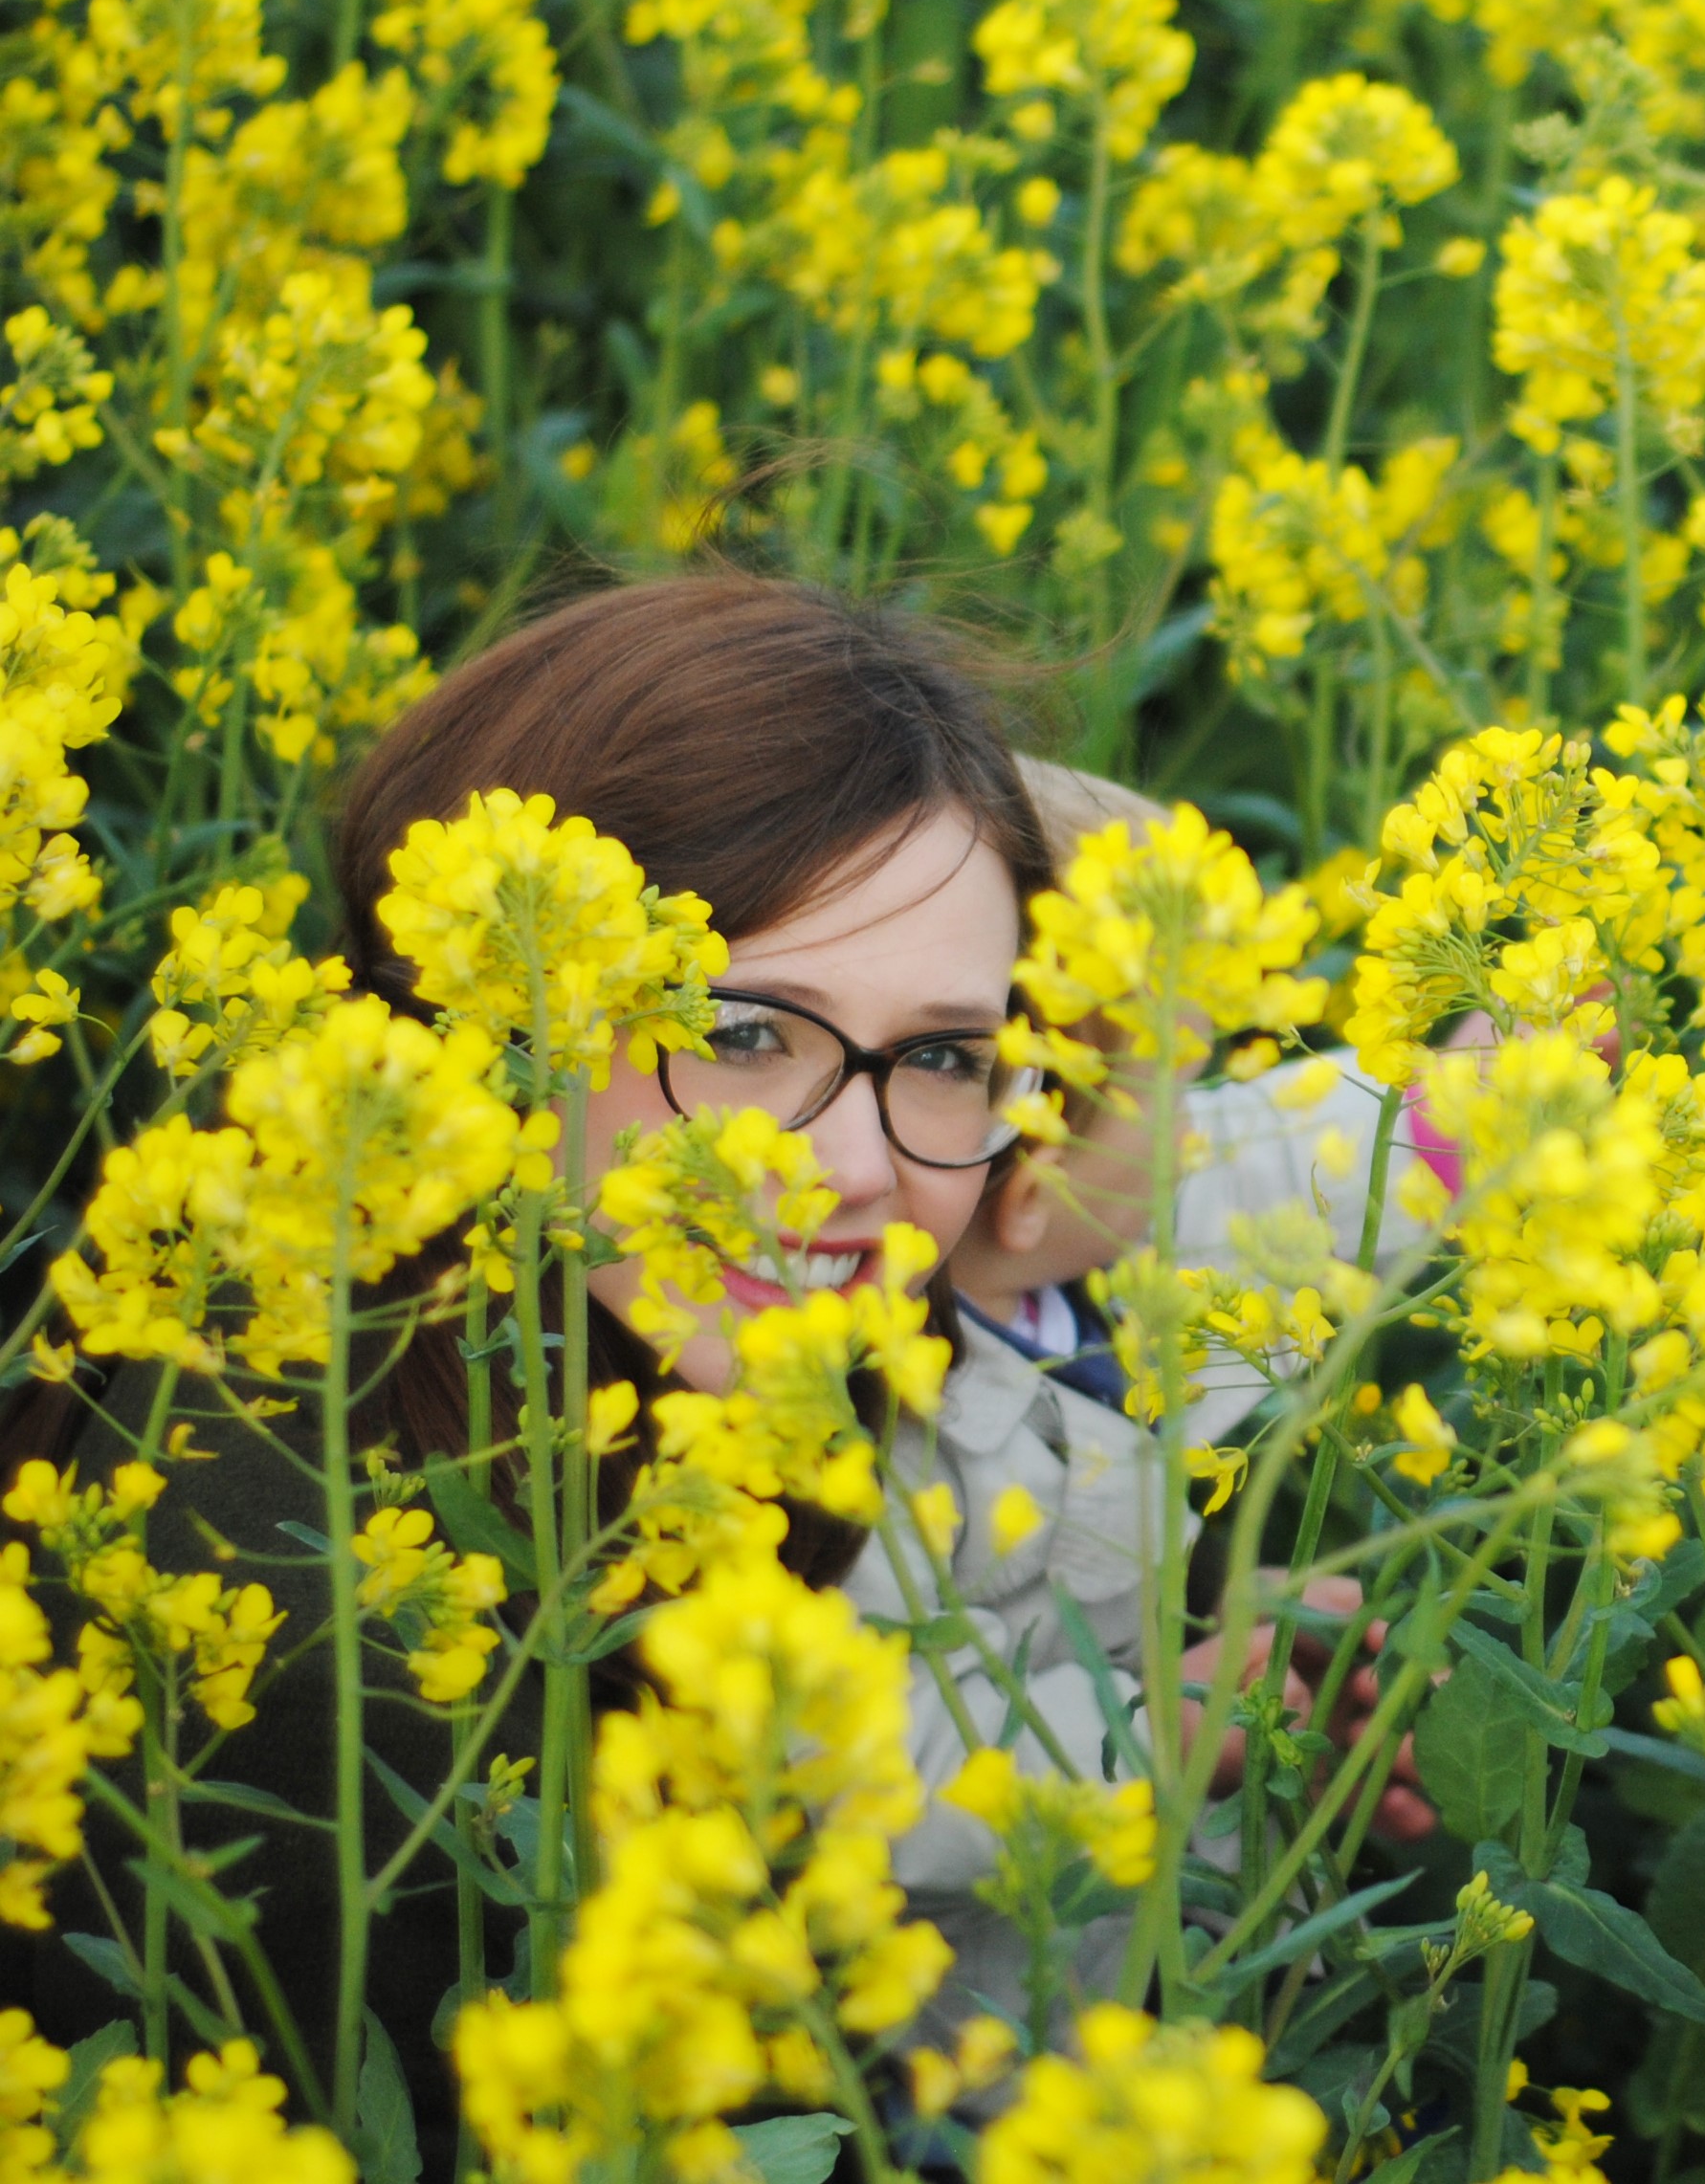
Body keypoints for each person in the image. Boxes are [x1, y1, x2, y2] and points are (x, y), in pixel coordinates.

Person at [4, 575, 1412, 2145]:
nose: (848, 1167)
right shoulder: (320, 1630)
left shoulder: (660, 1287)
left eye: (944, 1052)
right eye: (744, 1034)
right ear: (497, 994)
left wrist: (1229, 1670)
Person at [945, 758, 1435, 1416]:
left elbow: (1249, 1182)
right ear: (1038, 1190)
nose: (1197, 1127)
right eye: (1178, 1091)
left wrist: (1446, 1120)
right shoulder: (959, 1467)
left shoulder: (1076, 1239)